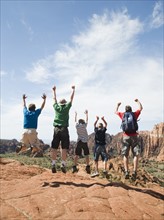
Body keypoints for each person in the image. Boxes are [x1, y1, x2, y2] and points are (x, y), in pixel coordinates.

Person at [115, 99, 143, 180]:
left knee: (125, 155)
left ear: (125, 110)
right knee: (136, 154)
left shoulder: (123, 114)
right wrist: (137, 101)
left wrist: (118, 104)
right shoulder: (134, 114)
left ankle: (126, 171)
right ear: (131, 110)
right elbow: (141, 108)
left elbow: (115, 111)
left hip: (125, 136)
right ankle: (134, 171)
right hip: (134, 136)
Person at [50, 85, 75, 173]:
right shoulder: (67, 107)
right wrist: (73, 90)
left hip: (56, 129)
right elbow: (71, 98)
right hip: (64, 129)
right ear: (65, 103)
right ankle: (63, 164)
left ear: (59, 104)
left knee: (54, 147)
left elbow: (54, 99)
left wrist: (54, 90)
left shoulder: (56, 107)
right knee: (64, 148)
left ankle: (53, 164)